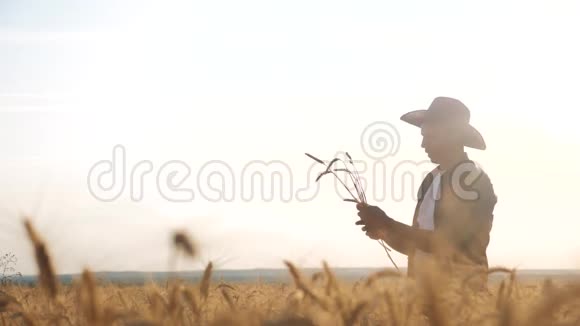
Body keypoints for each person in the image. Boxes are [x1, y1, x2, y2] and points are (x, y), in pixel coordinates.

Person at [355, 96, 497, 290]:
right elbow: (416, 248)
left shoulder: (472, 180)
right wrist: (384, 231)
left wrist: (389, 223)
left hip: (460, 301)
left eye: (430, 137)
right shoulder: (431, 180)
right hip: (425, 301)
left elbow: (447, 243)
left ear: (451, 136)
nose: (423, 145)